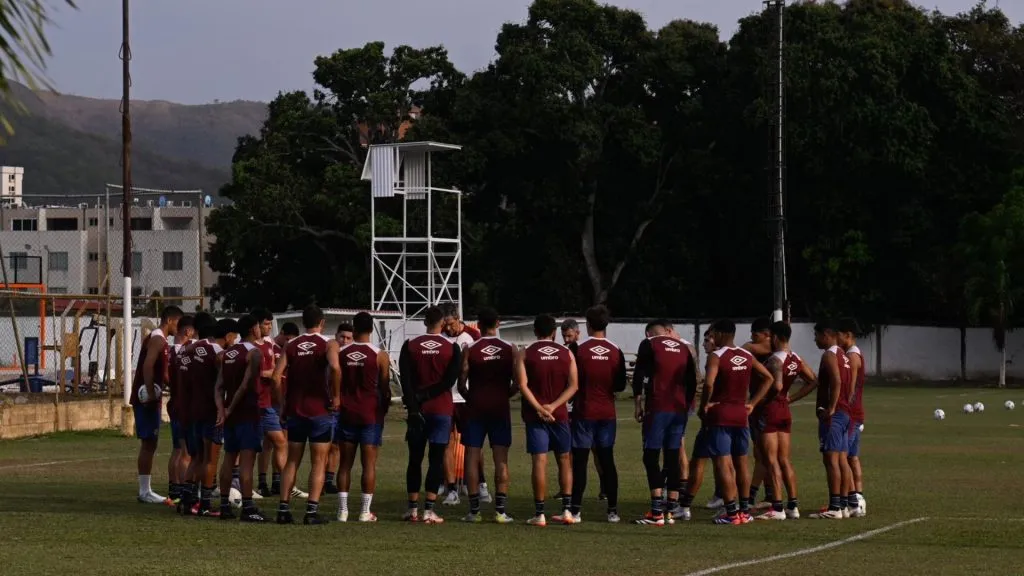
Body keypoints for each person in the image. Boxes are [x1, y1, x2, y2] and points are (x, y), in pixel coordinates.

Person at [272, 305, 342, 525]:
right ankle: (311, 512)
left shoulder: (291, 345)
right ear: (321, 323)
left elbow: (275, 377)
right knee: (319, 461)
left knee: (293, 460)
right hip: (320, 409)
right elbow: (336, 368)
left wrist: (282, 404)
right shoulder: (328, 344)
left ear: (303, 323)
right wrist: (337, 396)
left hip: (296, 410)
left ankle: (283, 509)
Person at [700, 319, 774, 526]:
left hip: (721, 413)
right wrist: (752, 403)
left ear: (722, 335)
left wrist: (704, 405)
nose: (712, 338)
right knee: (742, 463)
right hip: (742, 415)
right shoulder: (746, 355)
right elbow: (768, 378)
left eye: (714, 334)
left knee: (724, 463)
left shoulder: (716, 356)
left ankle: (731, 512)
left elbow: (708, 383)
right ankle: (744, 510)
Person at [399, 305, 462, 524]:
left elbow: (404, 380)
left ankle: (412, 509)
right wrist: (428, 395)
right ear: (443, 323)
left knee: (414, 459)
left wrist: (415, 402)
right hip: (441, 410)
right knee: (436, 459)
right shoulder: (452, 347)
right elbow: (449, 381)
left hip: (418, 411)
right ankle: (429, 510)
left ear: (425, 322)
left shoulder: (410, 346)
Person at [632, 319, 696, 525]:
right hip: (679, 410)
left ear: (650, 333)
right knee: (672, 456)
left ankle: (656, 512)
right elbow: (693, 380)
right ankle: (670, 511)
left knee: (650, 457)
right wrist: (686, 405)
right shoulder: (685, 348)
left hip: (658, 407)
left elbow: (639, 374)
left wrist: (638, 403)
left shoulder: (649, 344)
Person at [517, 314, 578, 526]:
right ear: (554, 332)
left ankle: (540, 513)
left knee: (539, 461)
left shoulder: (525, 353)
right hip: (559, 414)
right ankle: (567, 510)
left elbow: (522, 385)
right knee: (564, 460)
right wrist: (553, 405)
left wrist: (540, 408)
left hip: (536, 416)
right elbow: (574, 385)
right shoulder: (567, 353)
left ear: (535, 331)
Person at [458, 307, 517, 524]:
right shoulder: (509, 348)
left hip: (476, 407)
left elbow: (461, 380)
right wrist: (506, 394)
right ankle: (500, 511)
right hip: (499, 407)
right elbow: (519, 381)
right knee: (501, 458)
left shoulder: (470, 348)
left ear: (478, 325)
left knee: (472, 457)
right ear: (498, 323)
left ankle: (474, 511)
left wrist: (470, 395)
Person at [570, 305, 626, 523]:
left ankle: (575, 510)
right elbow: (620, 385)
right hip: (607, 413)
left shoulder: (578, 349)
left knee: (580, 461)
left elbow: (572, 381)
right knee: (607, 460)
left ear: (588, 324)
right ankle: (612, 510)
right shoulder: (615, 350)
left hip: (584, 412)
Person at [755, 321, 816, 521]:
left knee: (771, 460)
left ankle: (778, 508)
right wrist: (791, 398)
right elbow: (813, 380)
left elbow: (777, 384)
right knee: (784, 460)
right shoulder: (795, 358)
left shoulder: (774, 360)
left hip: (771, 410)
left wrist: (763, 400)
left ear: (775, 337)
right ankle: (793, 505)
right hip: (785, 411)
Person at [335, 312, 391, 523]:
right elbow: (385, 388)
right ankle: (364, 511)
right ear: (371, 328)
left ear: (354, 329)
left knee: (344, 464)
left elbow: (334, 379)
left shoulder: (342, 353)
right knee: (369, 465)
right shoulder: (379, 355)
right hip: (370, 414)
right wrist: (383, 409)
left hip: (347, 413)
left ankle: (342, 511)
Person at [215, 314, 266, 522]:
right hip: (247, 411)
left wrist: (222, 409)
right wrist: (230, 409)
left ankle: (225, 505)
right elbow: (245, 386)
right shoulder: (254, 353)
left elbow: (218, 386)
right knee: (246, 461)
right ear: (254, 329)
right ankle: (248, 507)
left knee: (229, 457)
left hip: (230, 414)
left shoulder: (227, 354)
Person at [131, 305, 183, 505]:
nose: (179, 327)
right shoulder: (158, 339)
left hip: (151, 398)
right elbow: (147, 365)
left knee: (150, 443)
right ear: (170, 320)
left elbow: (162, 372)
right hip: (147, 400)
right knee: (148, 443)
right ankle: (145, 491)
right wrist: (151, 392)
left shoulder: (161, 340)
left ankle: (146, 490)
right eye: (178, 322)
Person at [808, 320, 855, 520]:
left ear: (826, 334)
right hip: (846, 414)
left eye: (816, 335)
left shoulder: (829, 354)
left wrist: (832, 407)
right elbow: (849, 384)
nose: (815, 339)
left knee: (831, 460)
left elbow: (835, 380)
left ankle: (834, 507)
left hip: (835, 415)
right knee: (842, 460)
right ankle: (843, 504)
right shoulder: (844, 356)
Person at [440, 304, 485, 506]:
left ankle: (478, 482)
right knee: (446, 443)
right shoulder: (439, 337)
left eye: (450, 324)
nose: (447, 329)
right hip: (446, 398)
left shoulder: (473, 335)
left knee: (473, 443)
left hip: (466, 398)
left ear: (457, 318)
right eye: (444, 325)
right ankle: (450, 487)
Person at [184, 314, 225, 517]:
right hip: (210, 410)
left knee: (196, 457)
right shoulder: (217, 351)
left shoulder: (189, 350)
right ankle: (206, 504)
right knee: (210, 459)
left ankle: (188, 501)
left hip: (193, 409)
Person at [742, 316, 774, 513]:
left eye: (755, 335)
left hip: (763, 407)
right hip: (760, 407)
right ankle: (769, 494)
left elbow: (754, 349)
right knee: (763, 454)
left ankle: (751, 496)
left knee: (764, 455)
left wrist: (744, 346)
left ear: (766, 335)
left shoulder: (769, 347)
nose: (752, 339)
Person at [253, 308, 286, 497]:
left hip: (268, 402)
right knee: (253, 445)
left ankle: (274, 482)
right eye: (265, 324)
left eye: (269, 324)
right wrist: (270, 373)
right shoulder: (251, 346)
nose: (268, 327)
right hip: (257, 403)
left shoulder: (269, 344)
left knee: (274, 443)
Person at [837, 318, 866, 517]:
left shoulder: (852, 357)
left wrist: (843, 409)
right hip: (857, 414)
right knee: (852, 457)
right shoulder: (854, 354)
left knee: (843, 457)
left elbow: (851, 388)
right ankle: (858, 497)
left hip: (852, 414)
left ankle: (850, 501)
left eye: (837, 334)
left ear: (847, 334)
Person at [166, 314, 194, 507]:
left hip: (174, 403)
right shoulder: (186, 352)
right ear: (188, 331)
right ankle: (184, 491)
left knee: (177, 449)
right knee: (185, 451)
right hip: (183, 405)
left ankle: (174, 489)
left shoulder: (169, 351)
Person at [325, 322, 355, 495]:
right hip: (328, 405)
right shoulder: (330, 353)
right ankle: (322, 478)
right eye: (342, 337)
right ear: (336, 336)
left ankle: (329, 479)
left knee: (337, 445)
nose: (344, 341)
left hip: (344, 407)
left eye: (348, 338)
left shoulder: (353, 356)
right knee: (325, 445)